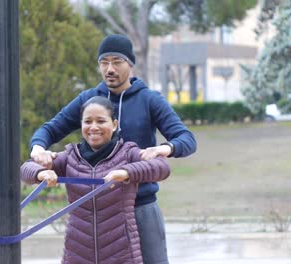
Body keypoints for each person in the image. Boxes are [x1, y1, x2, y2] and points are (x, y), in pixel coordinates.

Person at [30, 34, 197, 263]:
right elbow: (50, 129)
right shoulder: (88, 100)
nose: (109, 68)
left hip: (141, 206)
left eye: (116, 62)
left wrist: (165, 148)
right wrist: (38, 148)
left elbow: (186, 139)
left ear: (130, 64)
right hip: (98, 213)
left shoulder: (150, 99)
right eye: (104, 62)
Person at [21, 96, 170, 264]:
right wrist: (41, 173)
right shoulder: (70, 157)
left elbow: (162, 167)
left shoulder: (128, 153)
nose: (94, 127)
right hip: (77, 253)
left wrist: (126, 172)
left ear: (114, 125)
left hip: (123, 253)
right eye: (87, 121)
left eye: (100, 121)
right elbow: (26, 168)